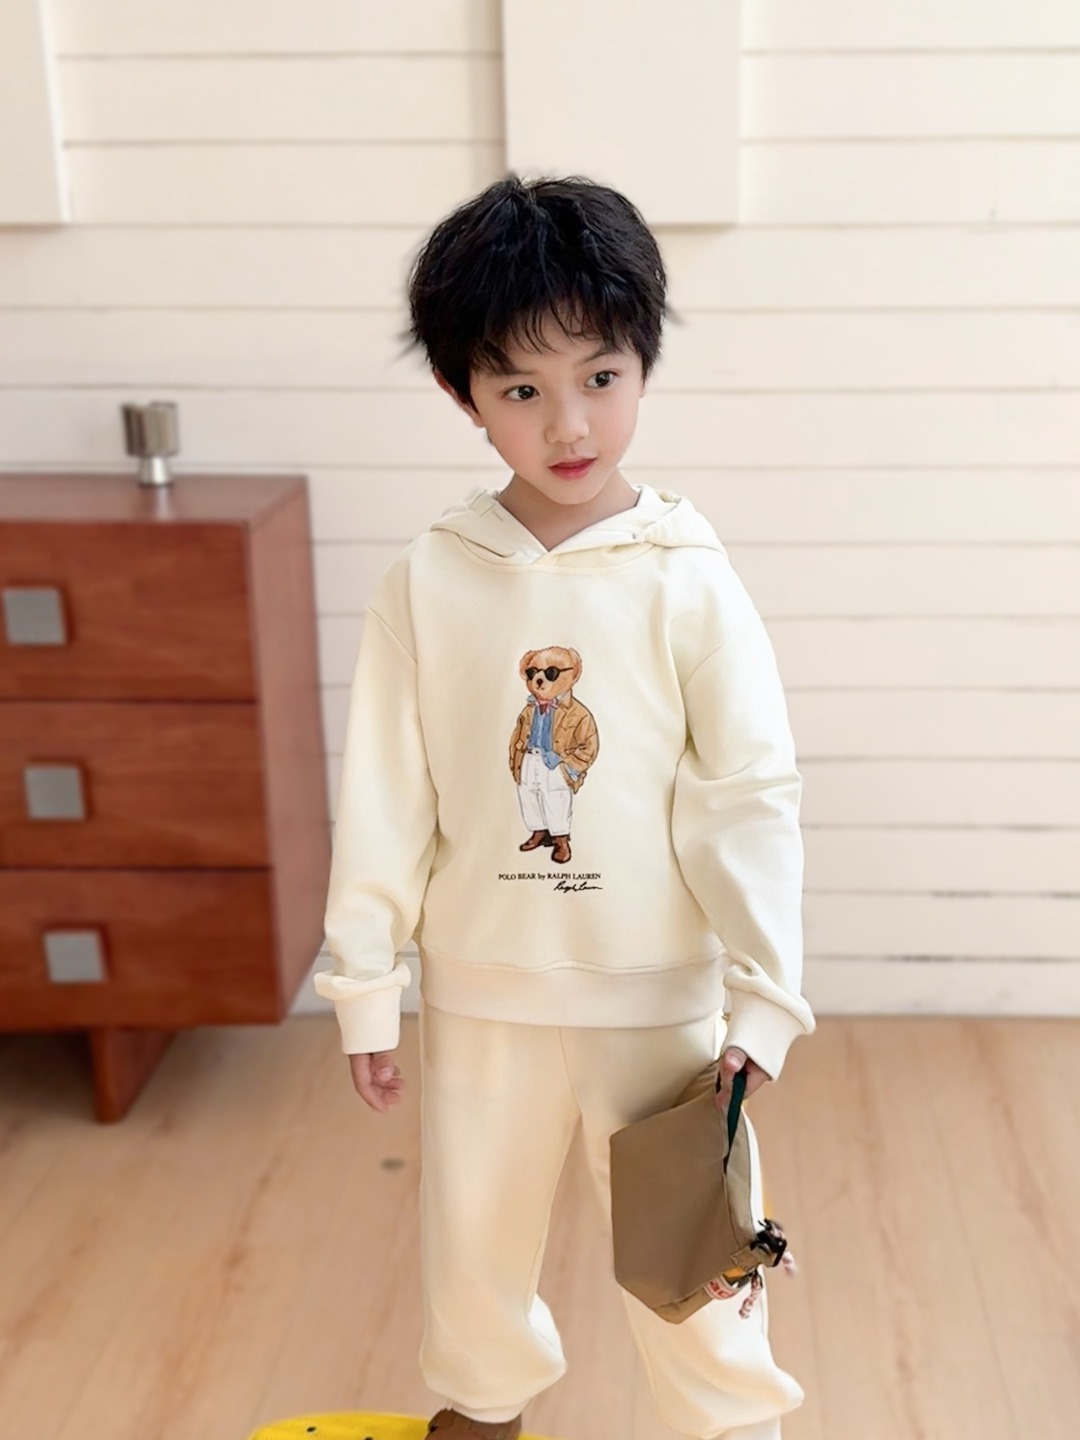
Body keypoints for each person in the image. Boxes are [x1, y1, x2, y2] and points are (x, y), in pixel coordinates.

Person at [314, 172, 816, 1440]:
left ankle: (733, 1428)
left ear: (644, 363)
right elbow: (385, 794)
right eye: (521, 391)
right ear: (463, 396)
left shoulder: (687, 578)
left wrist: (765, 991)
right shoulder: (430, 580)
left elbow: (746, 794)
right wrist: (365, 982)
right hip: (483, 993)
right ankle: (482, 1418)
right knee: (471, 1255)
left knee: (696, 1264)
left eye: (600, 375)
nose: (570, 422)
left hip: (659, 1007)